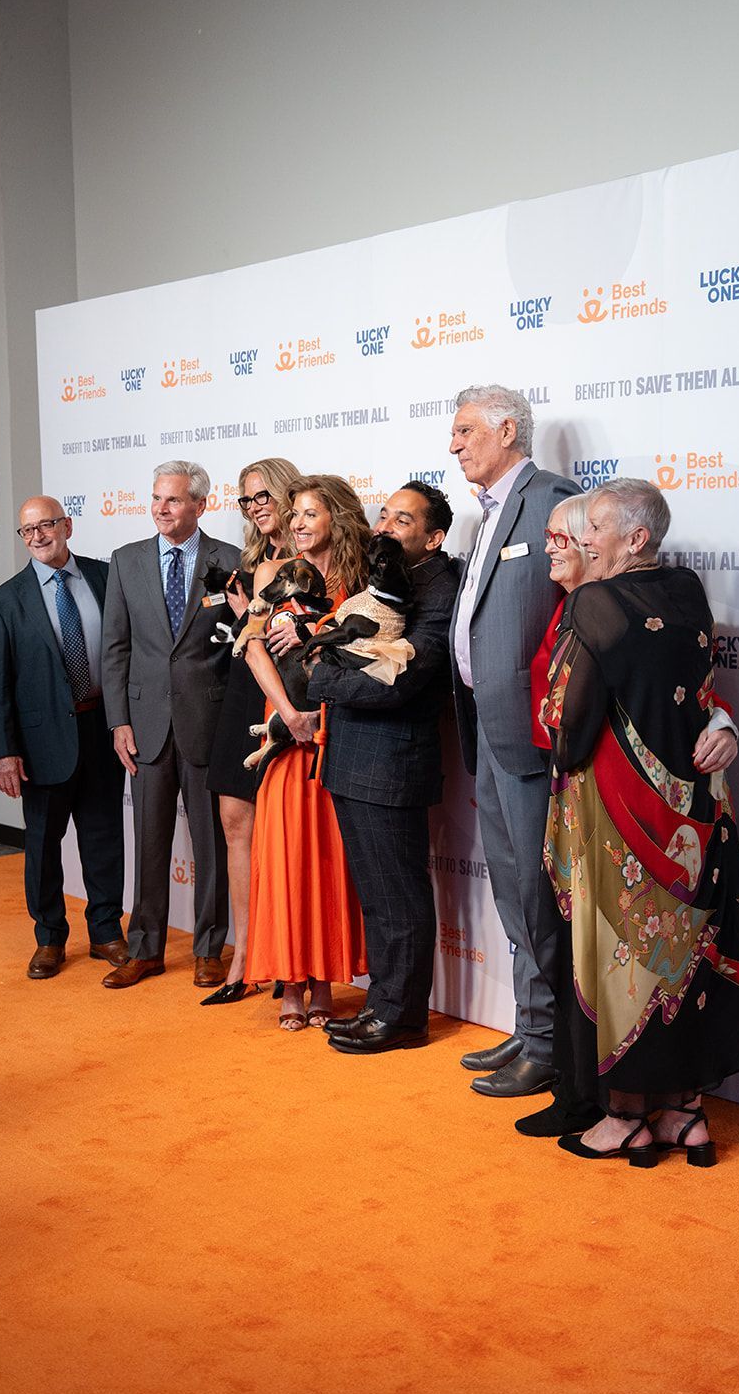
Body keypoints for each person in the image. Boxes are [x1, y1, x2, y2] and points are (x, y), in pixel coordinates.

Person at [543, 479, 739, 1165]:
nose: (584, 539)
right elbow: (691, 695)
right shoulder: (688, 591)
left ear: (635, 539)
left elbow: (567, 725)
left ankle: (625, 1119)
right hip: (697, 812)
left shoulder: (594, 601)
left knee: (626, 959)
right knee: (686, 959)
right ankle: (685, 1114)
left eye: (597, 528)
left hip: (618, 811)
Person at [447, 386, 578, 1098]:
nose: (454, 443)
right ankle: (530, 1026)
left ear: (506, 430)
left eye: (465, 430)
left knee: (534, 890)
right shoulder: (486, 514)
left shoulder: (554, 498)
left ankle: (553, 1044)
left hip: (532, 739)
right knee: (509, 889)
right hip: (489, 733)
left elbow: (579, 611)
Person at [308, 482, 460, 1054]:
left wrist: (320, 680)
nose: (385, 527)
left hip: (391, 764)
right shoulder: (385, 580)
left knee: (398, 896)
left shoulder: (439, 588)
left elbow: (402, 681)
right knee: (378, 895)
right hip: (354, 758)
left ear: (433, 536)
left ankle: (402, 1018)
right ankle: (383, 1004)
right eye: (384, 516)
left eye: (402, 520)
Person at [101, 461, 239, 990]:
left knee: (212, 845)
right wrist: (119, 721)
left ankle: (209, 948)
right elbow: (114, 649)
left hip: (208, 721)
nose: (161, 508)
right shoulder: (127, 560)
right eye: (156, 498)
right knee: (149, 843)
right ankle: (145, 949)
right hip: (147, 725)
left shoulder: (229, 560)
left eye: (173, 500)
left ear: (200, 505)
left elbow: (236, 648)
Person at [0, 497, 127, 979]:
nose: (39, 537)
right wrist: (3, 752)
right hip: (42, 742)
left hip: (102, 728)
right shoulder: (5, 600)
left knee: (104, 834)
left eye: (47, 525)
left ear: (67, 526)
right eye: (28, 531)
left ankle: (107, 931)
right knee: (43, 843)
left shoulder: (106, 577)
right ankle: (49, 937)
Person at [243, 475, 369, 1030]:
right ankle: (290, 981)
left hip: (340, 732)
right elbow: (252, 647)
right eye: (292, 513)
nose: (295, 522)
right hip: (287, 738)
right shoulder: (272, 573)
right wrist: (286, 714)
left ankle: (323, 980)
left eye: (308, 513)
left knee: (326, 861)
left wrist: (322, 714)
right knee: (287, 858)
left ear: (335, 519)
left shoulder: (358, 581)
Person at [203, 457, 301, 1006]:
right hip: (243, 689)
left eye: (264, 495)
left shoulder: (311, 558)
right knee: (234, 820)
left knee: (283, 834)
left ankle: (287, 959)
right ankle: (243, 956)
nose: (256, 506)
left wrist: (249, 620)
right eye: (246, 499)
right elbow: (245, 636)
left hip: (285, 697)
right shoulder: (249, 562)